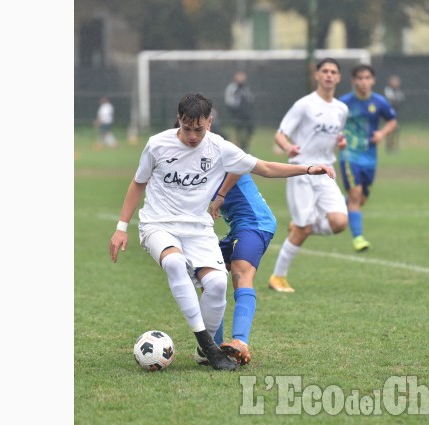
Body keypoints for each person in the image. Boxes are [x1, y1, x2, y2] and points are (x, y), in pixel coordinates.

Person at [109, 93, 336, 371]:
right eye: (187, 128)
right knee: (174, 262)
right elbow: (137, 183)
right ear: (179, 120)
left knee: (216, 285)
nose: (193, 136)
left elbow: (264, 167)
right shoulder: (157, 145)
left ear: (210, 122)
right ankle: (210, 346)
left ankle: (205, 351)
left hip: (198, 229)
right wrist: (121, 227)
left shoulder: (219, 147)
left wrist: (309, 168)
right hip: (159, 224)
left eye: (199, 129)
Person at [268, 58, 349, 293]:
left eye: (333, 72)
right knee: (302, 230)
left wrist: (340, 142)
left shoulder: (341, 109)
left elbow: (336, 136)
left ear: (339, 77)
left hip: (326, 171)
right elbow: (280, 134)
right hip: (301, 170)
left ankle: (300, 226)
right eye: (325, 71)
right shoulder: (304, 105)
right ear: (317, 75)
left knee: (340, 222)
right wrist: (288, 148)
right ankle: (278, 277)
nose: (329, 75)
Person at [191, 172, 276, 366]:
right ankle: (215, 346)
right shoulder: (193, 163)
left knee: (240, 273)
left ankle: (240, 342)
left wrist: (220, 195)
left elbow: (245, 167)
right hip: (237, 227)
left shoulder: (221, 153)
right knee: (209, 278)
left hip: (256, 224)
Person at [339, 64, 398, 252]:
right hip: (349, 154)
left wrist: (382, 133)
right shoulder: (343, 103)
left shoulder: (379, 102)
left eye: (367, 78)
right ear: (353, 81)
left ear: (372, 80)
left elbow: (392, 120)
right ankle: (358, 238)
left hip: (370, 157)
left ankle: (334, 203)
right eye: (359, 78)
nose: (363, 82)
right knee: (355, 195)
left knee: (360, 199)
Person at [224, 71, 254, 152]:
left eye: (243, 77)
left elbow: (250, 99)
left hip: (246, 113)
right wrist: (234, 109)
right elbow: (229, 100)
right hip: (236, 112)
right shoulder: (232, 87)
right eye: (240, 77)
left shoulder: (246, 88)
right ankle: (238, 147)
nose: (241, 79)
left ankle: (244, 146)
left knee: (250, 129)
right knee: (238, 130)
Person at [383, 75, 405, 153]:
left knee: (396, 131)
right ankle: (389, 147)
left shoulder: (398, 91)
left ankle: (394, 147)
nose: (396, 83)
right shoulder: (388, 90)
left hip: (395, 113)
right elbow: (391, 99)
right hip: (388, 114)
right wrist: (395, 100)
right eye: (394, 81)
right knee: (389, 130)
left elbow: (401, 99)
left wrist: (396, 100)